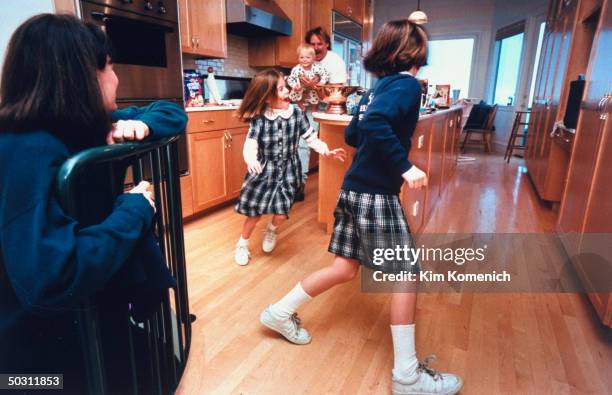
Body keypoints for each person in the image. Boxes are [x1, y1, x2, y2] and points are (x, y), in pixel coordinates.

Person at [259, 20, 463, 395]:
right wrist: (405, 165)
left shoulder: (378, 88)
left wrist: (370, 123)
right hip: (375, 195)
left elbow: (355, 133)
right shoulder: (405, 86)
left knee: (344, 268)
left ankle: (279, 312)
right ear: (415, 54)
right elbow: (378, 124)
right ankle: (407, 377)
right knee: (406, 273)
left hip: (353, 190)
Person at [0, 14, 187, 394]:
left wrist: (142, 126)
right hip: (31, 356)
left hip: (88, 314)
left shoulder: (91, 127)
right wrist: (135, 210)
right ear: (83, 75)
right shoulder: (23, 151)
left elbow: (172, 112)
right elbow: (54, 276)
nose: (116, 78)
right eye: (111, 67)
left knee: (158, 366)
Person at [233, 69, 345, 266]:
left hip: (289, 169)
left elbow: (310, 137)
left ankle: (272, 230)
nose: (288, 91)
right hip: (264, 169)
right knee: (255, 212)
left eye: (286, 86)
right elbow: (250, 143)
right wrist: (251, 160)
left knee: (282, 212)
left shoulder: (296, 114)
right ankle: (242, 243)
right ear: (267, 97)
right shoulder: (259, 118)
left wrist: (326, 151)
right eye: (282, 88)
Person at [294, 26, 349, 201]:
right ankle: (299, 185)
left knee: (332, 144)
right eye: (312, 43)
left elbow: (337, 93)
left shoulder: (335, 62)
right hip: (306, 107)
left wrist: (313, 88)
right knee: (302, 143)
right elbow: (295, 85)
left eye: (320, 43)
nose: (316, 47)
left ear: (327, 45)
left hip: (328, 108)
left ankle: (336, 188)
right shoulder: (304, 61)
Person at [287, 43, 329, 112]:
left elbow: (325, 75)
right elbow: (290, 79)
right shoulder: (296, 69)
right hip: (299, 89)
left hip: (313, 89)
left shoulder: (318, 68)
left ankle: (314, 108)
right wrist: (294, 85)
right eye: (301, 57)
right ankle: (301, 106)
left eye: (308, 57)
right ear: (298, 58)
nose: (304, 60)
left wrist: (322, 82)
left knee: (315, 98)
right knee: (298, 97)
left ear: (313, 58)